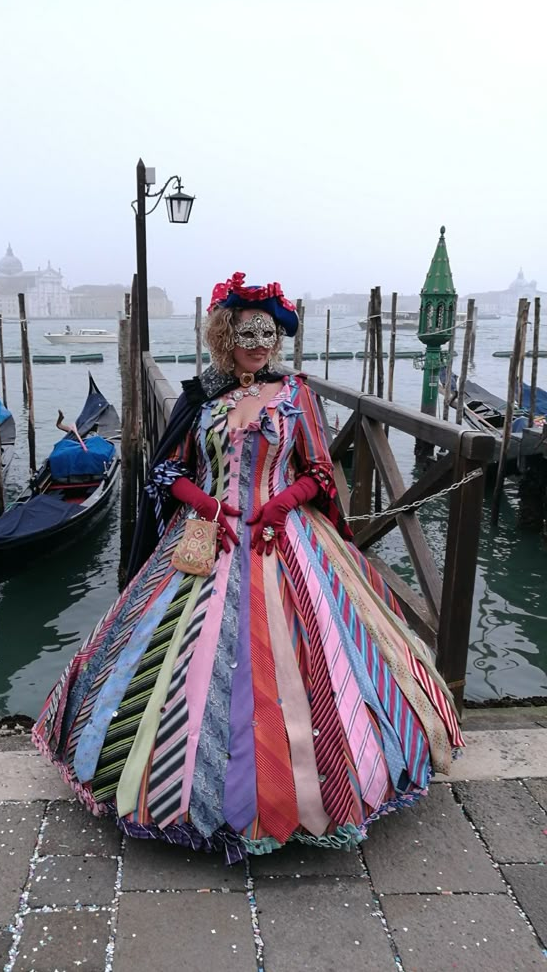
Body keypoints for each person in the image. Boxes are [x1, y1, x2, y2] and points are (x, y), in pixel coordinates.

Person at [32, 272, 463, 864]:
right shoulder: (203, 401)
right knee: (167, 658)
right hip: (208, 540)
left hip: (283, 540)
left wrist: (281, 504)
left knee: (319, 655)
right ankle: (173, 782)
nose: (259, 343)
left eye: (268, 333)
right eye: (246, 333)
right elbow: (169, 473)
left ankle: (321, 786)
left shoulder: (297, 397)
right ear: (224, 338)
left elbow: (316, 471)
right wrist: (209, 503)